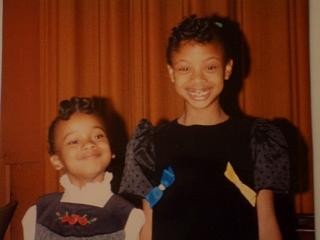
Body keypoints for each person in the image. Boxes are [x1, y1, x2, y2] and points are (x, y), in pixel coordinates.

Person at [119, 14, 289, 240]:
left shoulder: (258, 139)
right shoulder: (149, 144)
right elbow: (148, 228)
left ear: (227, 69)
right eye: (185, 69)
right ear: (171, 72)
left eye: (210, 67)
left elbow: (267, 224)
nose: (197, 80)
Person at [22, 97, 145, 240]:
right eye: (74, 141)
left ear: (111, 151)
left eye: (98, 136)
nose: (89, 144)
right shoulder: (37, 214)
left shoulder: (130, 218)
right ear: (57, 161)